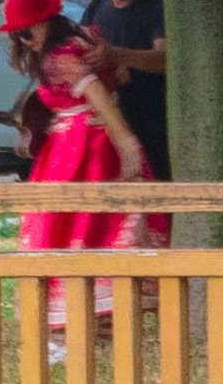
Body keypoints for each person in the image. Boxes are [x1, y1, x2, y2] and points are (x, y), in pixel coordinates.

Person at [13, 19, 149, 357]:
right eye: (19, 34)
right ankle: (100, 329)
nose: (25, 39)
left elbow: (99, 96)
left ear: (46, 23)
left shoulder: (61, 57)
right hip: (89, 143)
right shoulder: (87, 41)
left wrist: (125, 140)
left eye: (29, 30)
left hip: (80, 148)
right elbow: (121, 78)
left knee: (71, 226)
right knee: (97, 228)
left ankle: (74, 331)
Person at [79, 0, 171, 190]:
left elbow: (164, 59)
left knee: (155, 187)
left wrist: (118, 56)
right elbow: (81, 51)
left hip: (150, 118)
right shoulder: (98, 6)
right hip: (109, 120)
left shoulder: (156, 9)